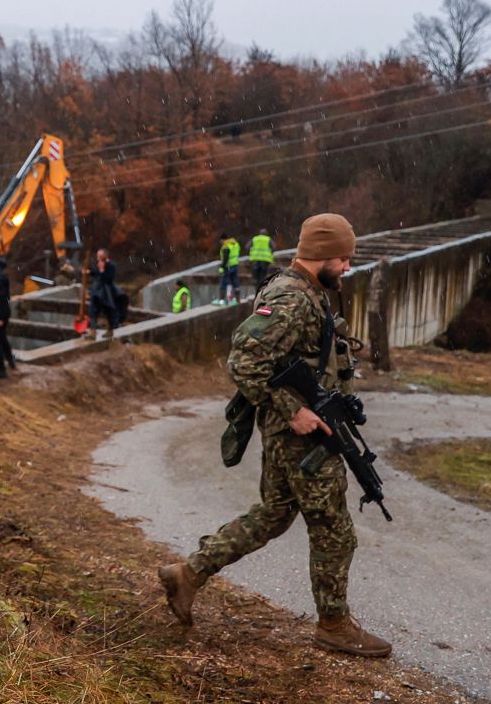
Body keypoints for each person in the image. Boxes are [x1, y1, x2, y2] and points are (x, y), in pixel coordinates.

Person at [158, 213, 392, 658]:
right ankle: (334, 625)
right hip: (300, 434)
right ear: (322, 254)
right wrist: (295, 411)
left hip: (303, 427)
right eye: (342, 258)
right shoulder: (292, 298)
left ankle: (188, 574)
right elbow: (244, 362)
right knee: (334, 531)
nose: (346, 267)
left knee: (275, 513)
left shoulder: (308, 292)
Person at [88, 248, 122, 338]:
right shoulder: (98, 264)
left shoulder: (111, 265)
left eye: (100, 256)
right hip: (97, 291)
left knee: (108, 311)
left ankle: (110, 330)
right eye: (98, 256)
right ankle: (92, 332)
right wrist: (88, 272)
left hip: (107, 292)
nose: (98, 258)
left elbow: (108, 278)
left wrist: (102, 270)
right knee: (93, 311)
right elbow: (95, 274)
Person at [214, 233, 241, 305]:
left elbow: (225, 258)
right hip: (235, 265)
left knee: (224, 282)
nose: (220, 242)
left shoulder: (226, 246)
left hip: (228, 266)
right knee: (235, 282)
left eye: (221, 240)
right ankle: (237, 300)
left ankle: (221, 300)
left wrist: (222, 267)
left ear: (223, 239)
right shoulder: (235, 244)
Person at [247, 228, 275, 294]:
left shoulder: (255, 239)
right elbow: (273, 248)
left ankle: (256, 290)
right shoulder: (268, 239)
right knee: (263, 277)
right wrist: (270, 254)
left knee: (256, 278)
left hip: (255, 261)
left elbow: (247, 247)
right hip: (265, 261)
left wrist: (250, 254)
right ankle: (262, 291)